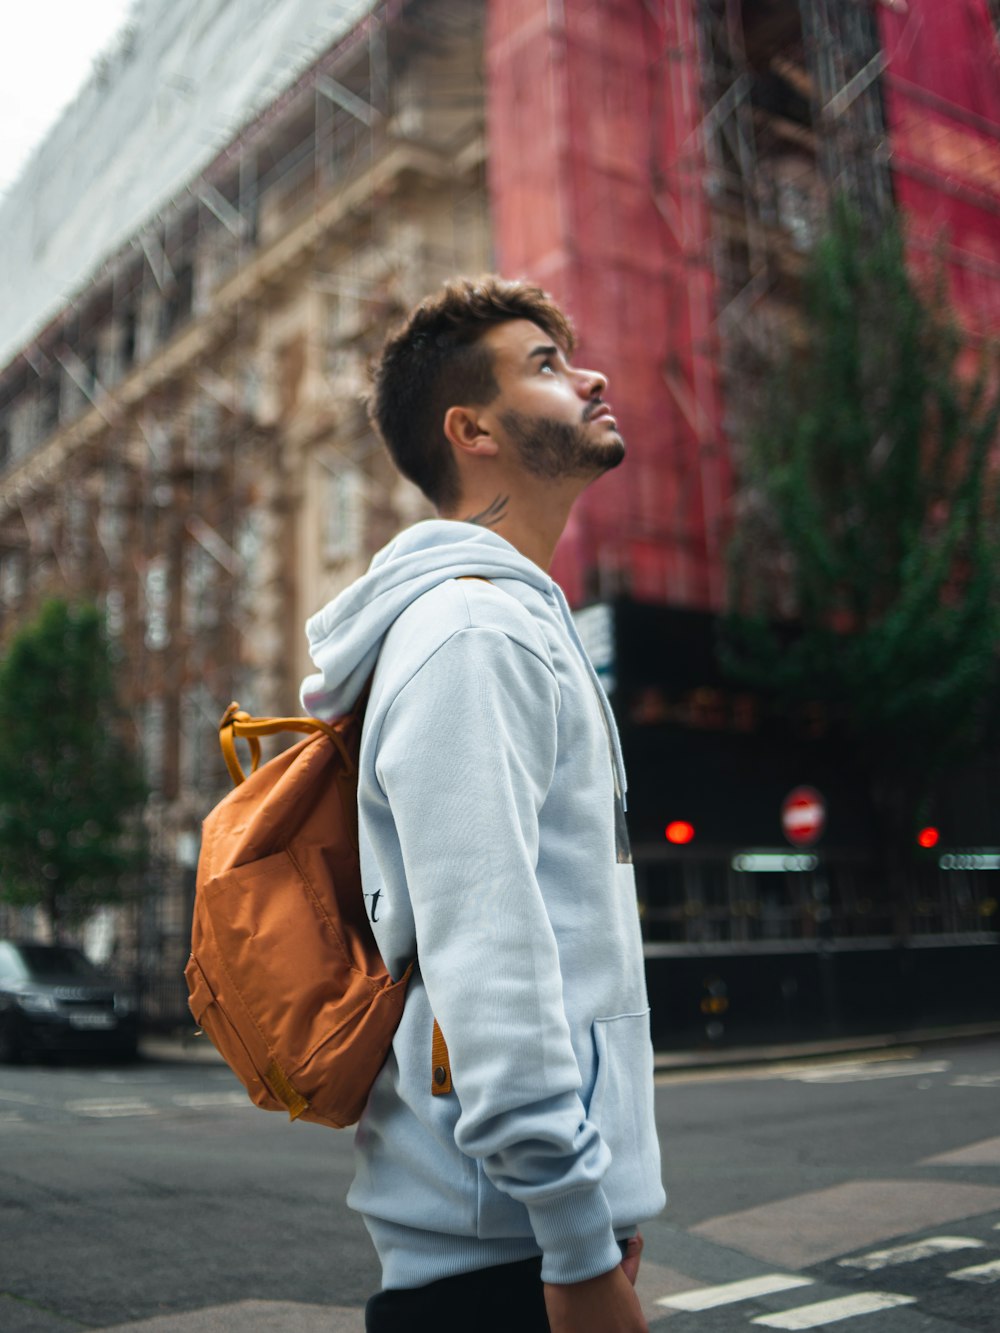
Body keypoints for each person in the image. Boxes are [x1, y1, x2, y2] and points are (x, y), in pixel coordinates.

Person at [300, 276, 665, 1332]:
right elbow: (487, 957)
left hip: (517, 1239)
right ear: (472, 431)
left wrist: (597, 1210)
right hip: (500, 1266)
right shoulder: (471, 635)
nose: (589, 373)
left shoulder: (507, 621)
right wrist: (574, 1240)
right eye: (545, 367)